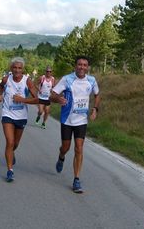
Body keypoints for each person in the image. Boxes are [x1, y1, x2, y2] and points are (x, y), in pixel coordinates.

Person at [51, 56, 100, 193]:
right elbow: (52, 95)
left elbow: (97, 94)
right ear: (75, 66)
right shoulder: (67, 79)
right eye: (79, 64)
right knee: (66, 147)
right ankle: (61, 156)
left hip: (81, 120)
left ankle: (76, 179)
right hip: (67, 119)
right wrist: (58, 99)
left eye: (85, 65)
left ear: (88, 67)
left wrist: (95, 109)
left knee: (79, 148)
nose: (82, 67)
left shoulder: (91, 80)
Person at [0, 57, 37, 182]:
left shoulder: (27, 81)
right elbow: (1, 86)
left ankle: (11, 152)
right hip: (7, 114)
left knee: (15, 144)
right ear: (11, 68)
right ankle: (10, 170)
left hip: (21, 116)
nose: (17, 70)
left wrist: (23, 100)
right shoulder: (6, 79)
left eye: (19, 68)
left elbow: (37, 99)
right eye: (15, 67)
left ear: (23, 69)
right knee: (10, 141)